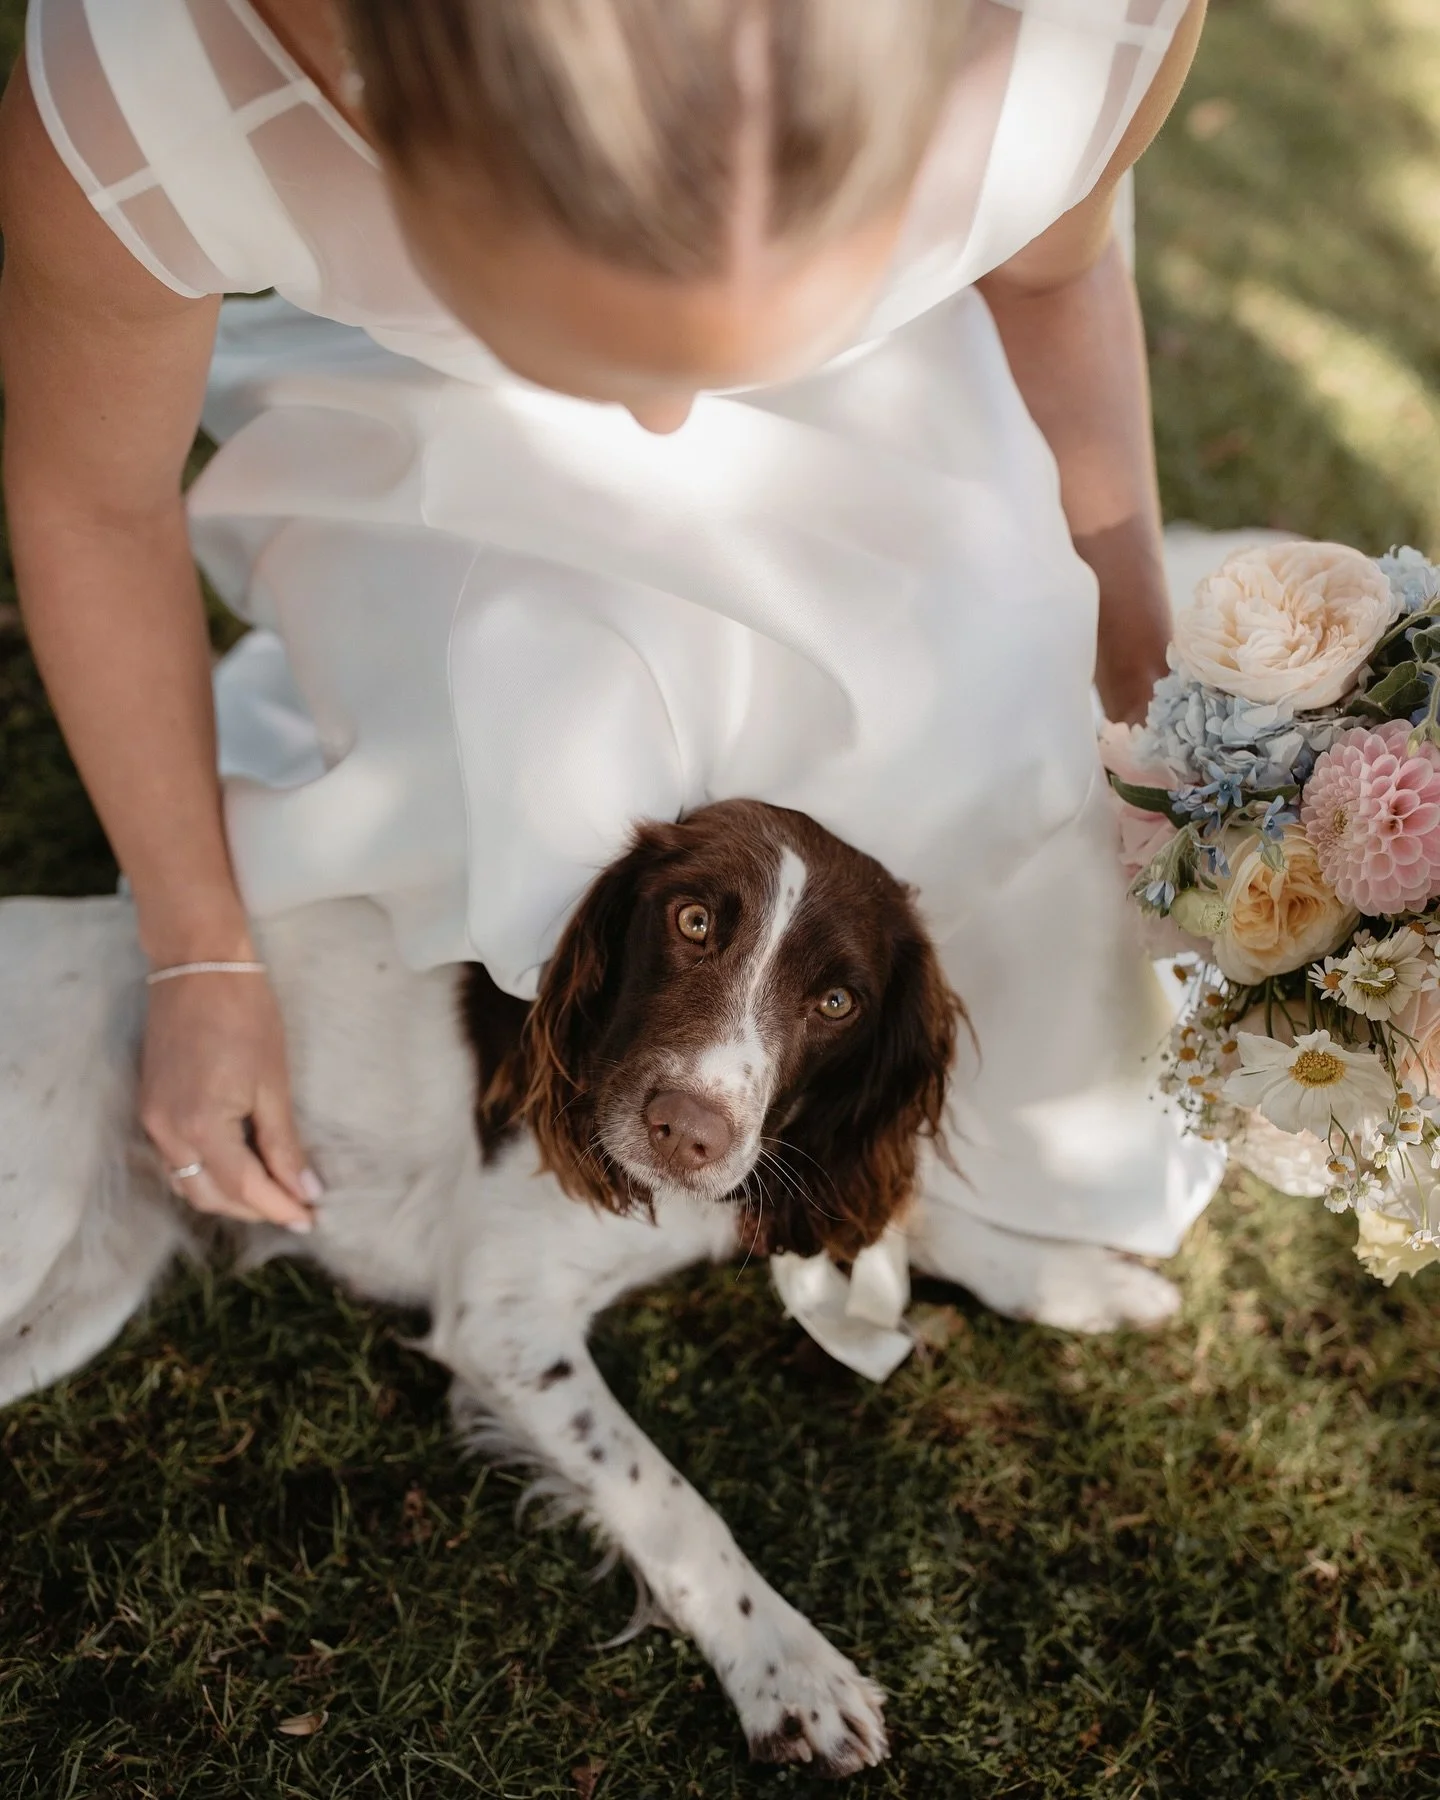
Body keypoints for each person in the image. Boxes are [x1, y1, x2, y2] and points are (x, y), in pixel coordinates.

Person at [0, 0, 1219, 1323]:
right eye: (596, 346)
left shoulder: (1085, 31)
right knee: (543, 729)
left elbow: (1047, 273)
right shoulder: (161, 90)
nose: (664, 421)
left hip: (906, 408)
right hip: (450, 446)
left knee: (984, 724)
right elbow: (94, 502)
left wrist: (1141, 659)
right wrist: (198, 951)